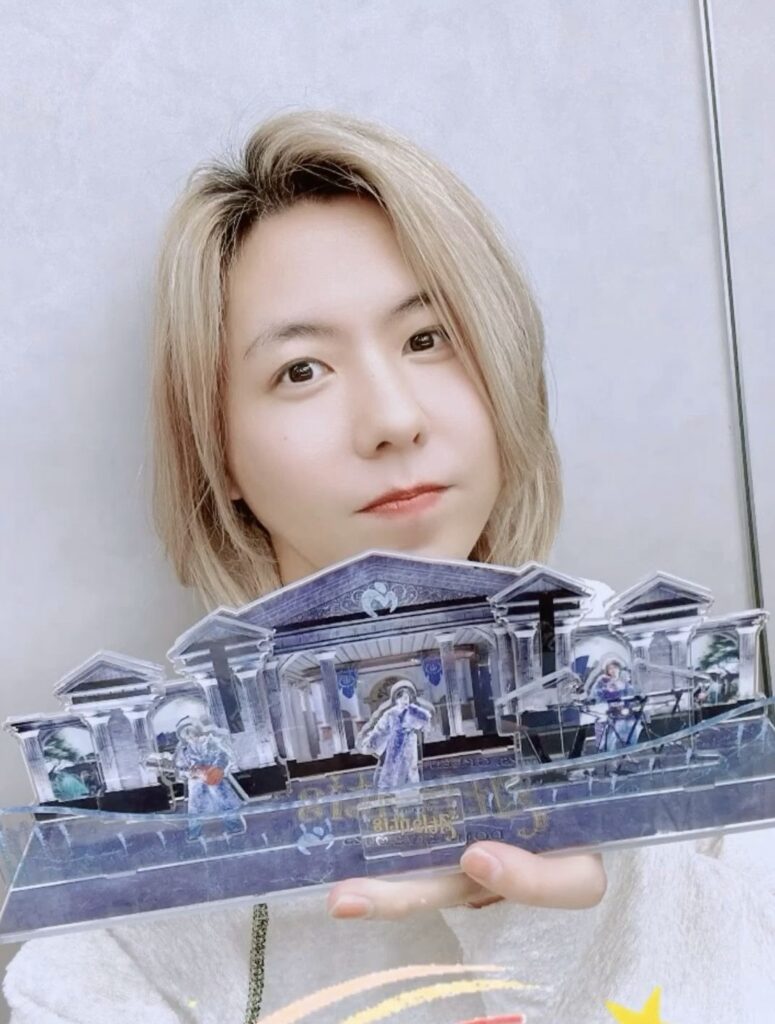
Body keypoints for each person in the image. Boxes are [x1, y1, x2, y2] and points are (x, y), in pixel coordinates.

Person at [5, 110, 775, 1024]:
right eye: (301, 370)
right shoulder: (124, 905)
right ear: (217, 449)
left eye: (426, 337)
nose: (393, 420)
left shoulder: (701, 744)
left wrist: (598, 904)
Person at [356, 679, 433, 789]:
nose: (405, 700)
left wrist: (425, 725)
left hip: (409, 743)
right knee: (393, 768)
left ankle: (412, 787)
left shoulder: (413, 711)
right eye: (402, 697)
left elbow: (427, 718)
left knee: (410, 767)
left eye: (407, 697)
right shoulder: (390, 713)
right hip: (395, 743)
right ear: (396, 699)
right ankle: (392, 789)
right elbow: (380, 729)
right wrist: (370, 742)